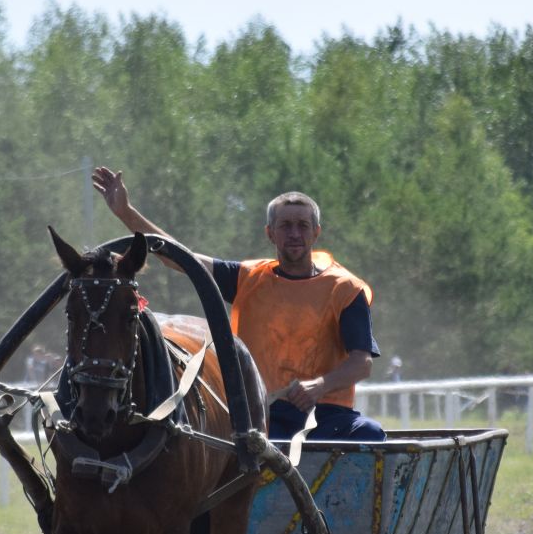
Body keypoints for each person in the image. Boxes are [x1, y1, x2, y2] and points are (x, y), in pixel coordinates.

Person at [92, 166, 387, 442]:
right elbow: (179, 258)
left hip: (326, 416)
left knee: (371, 435)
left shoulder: (345, 288)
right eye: (285, 226)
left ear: (316, 232)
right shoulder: (248, 278)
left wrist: (318, 386)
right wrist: (126, 213)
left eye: (302, 225)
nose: (294, 234)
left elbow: (361, 363)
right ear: (270, 233)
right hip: (260, 414)